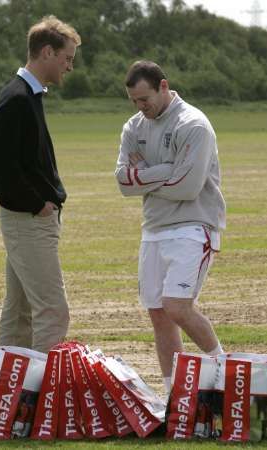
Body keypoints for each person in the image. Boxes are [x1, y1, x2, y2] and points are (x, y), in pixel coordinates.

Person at [115, 60, 226, 396]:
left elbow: (187, 187)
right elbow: (122, 180)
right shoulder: (133, 127)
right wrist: (167, 170)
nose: (140, 107)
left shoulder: (194, 125)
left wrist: (145, 175)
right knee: (159, 314)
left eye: (145, 98)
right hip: (153, 228)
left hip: (193, 226)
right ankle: (174, 395)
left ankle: (225, 369)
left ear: (163, 87)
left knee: (177, 306)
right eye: (134, 100)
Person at [0, 16, 81, 353]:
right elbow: (2, 168)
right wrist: (38, 204)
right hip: (28, 220)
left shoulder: (29, 95)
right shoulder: (17, 98)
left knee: (19, 315)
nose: (69, 67)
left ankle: (8, 401)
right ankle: (43, 402)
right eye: (67, 58)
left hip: (30, 220)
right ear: (46, 52)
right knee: (53, 313)